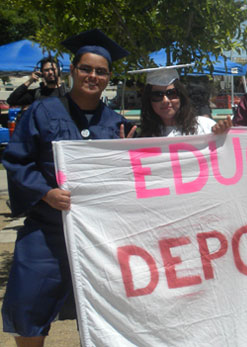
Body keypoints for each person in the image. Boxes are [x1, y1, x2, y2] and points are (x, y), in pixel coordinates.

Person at [1, 29, 136, 347]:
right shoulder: (43, 112)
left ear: (108, 77)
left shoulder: (116, 124)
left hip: (98, 235)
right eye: (86, 69)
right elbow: (18, 161)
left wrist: (125, 158)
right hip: (47, 229)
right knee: (30, 305)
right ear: (73, 71)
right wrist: (45, 192)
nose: (93, 76)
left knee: (103, 310)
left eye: (101, 71)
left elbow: (125, 183)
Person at [130, 64, 232, 137]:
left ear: (181, 96)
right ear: (149, 101)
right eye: (157, 95)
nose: (165, 100)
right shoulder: (145, 138)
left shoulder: (205, 127)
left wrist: (222, 136)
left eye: (171, 93)